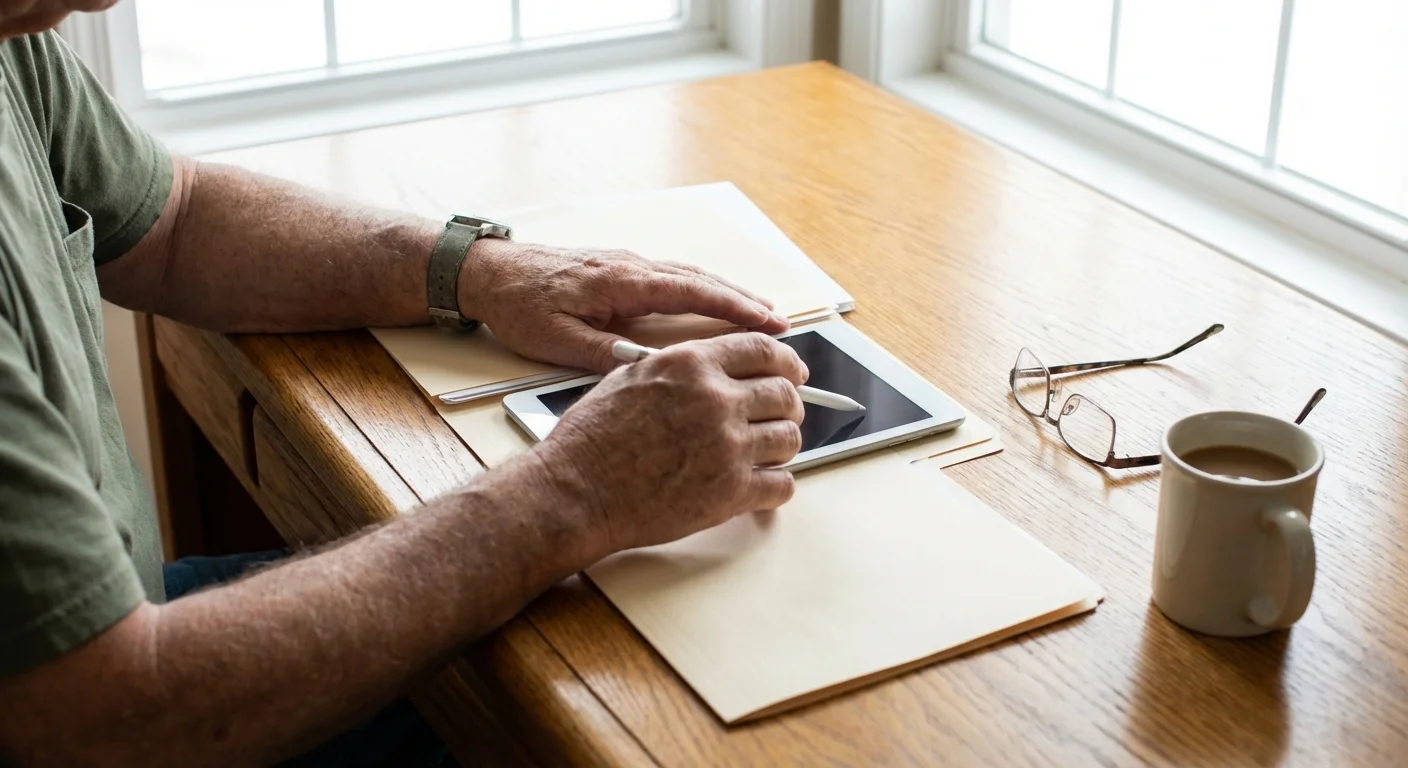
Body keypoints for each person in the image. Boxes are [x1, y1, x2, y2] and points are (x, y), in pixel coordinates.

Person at [0, 2, 809, 764]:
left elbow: (173, 221)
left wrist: (476, 271)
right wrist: (576, 491)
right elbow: (100, 716)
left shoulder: (15, 33)